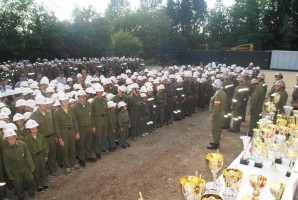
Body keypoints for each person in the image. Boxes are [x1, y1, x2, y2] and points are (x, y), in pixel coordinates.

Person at [30, 95, 59, 177]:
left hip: (52, 137)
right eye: (43, 104)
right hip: (42, 139)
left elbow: (54, 125)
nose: (46, 106)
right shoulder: (33, 116)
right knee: (44, 157)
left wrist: (56, 136)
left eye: (46, 104)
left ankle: (53, 170)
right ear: (38, 105)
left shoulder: (49, 112)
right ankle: (46, 173)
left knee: (52, 154)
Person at [2, 129, 35, 199]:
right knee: (18, 184)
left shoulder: (22, 144)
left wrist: (31, 166)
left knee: (30, 179)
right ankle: (21, 196)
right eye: (9, 138)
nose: (12, 140)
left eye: (13, 137)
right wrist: (10, 175)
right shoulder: (6, 151)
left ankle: (31, 192)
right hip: (15, 170)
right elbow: (7, 164)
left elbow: (28, 156)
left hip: (25, 166)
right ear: (6, 140)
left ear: (15, 137)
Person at [54, 93, 80, 175]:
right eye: (63, 101)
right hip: (63, 132)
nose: (65, 102)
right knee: (65, 150)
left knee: (72, 148)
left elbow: (75, 121)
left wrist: (77, 132)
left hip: (72, 131)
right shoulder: (57, 113)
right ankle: (67, 166)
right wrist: (60, 138)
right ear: (60, 102)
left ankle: (73, 163)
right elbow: (57, 126)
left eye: (66, 101)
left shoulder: (71, 110)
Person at [74, 90, 97, 168]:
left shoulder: (88, 104)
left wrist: (93, 126)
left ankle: (88, 155)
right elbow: (75, 121)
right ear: (78, 98)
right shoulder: (75, 107)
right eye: (82, 97)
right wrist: (76, 131)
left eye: (85, 96)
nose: (84, 98)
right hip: (81, 128)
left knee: (88, 142)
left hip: (89, 126)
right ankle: (81, 159)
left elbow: (92, 116)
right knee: (81, 144)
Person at [24, 119, 49, 193]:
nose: (35, 130)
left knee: (43, 169)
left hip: (41, 155)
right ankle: (38, 185)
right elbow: (27, 152)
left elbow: (45, 146)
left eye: (36, 128)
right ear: (29, 130)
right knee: (36, 171)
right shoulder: (27, 139)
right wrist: (30, 161)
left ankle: (43, 183)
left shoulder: (40, 136)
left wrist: (46, 155)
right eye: (32, 129)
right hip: (34, 157)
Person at [207, 79, 227, 149]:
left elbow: (216, 107)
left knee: (216, 129)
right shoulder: (223, 93)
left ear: (215, 87)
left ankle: (216, 144)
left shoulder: (218, 95)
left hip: (217, 114)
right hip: (220, 113)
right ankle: (215, 141)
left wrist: (213, 116)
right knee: (217, 128)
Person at [91, 85, 108, 159]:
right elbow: (92, 115)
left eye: (101, 92)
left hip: (104, 119)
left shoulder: (104, 100)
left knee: (104, 134)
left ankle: (103, 148)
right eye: (99, 92)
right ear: (96, 92)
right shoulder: (93, 102)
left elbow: (106, 110)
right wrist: (93, 125)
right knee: (98, 136)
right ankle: (97, 151)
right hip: (97, 119)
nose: (100, 93)